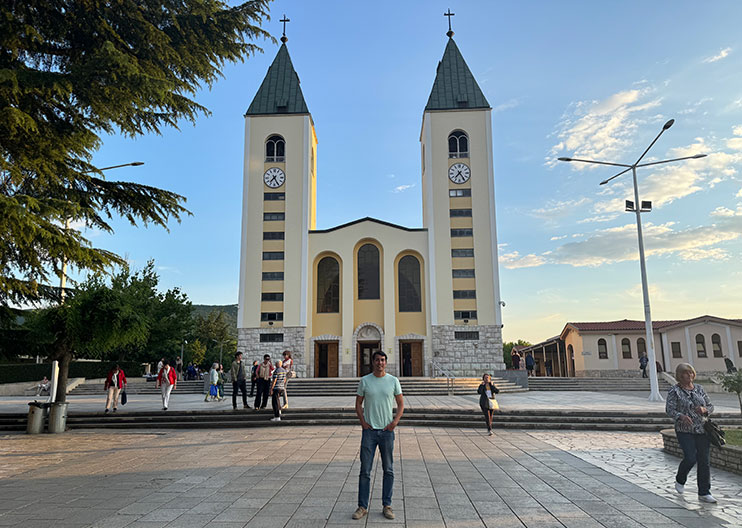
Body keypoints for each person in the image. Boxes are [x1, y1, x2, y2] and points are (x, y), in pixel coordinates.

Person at [352, 351, 404, 521]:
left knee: (388, 469)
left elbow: (401, 403)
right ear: (372, 362)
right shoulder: (365, 381)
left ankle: (387, 505)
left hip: (387, 432)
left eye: (382, 360)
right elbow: (358, 403)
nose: (380, 363)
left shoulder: (393, 381)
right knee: (365, 470)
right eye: (377, 360)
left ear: (386, 363)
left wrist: (395, 422)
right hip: (370, 432)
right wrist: (363, 422)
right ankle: (362, 506)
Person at [665, 363, 717, 503]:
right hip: (684, 430)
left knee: (704, 461)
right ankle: (680, 479)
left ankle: (704, 492)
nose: (689, 376)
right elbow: (670, 409)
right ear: (679, 375)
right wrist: (680, 416)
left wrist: (704, 410)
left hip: (702, 429)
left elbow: (710, 406)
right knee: (690, 457)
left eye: (690, 373)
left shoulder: (699, 389)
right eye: (685, 373)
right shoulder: (674, 391)